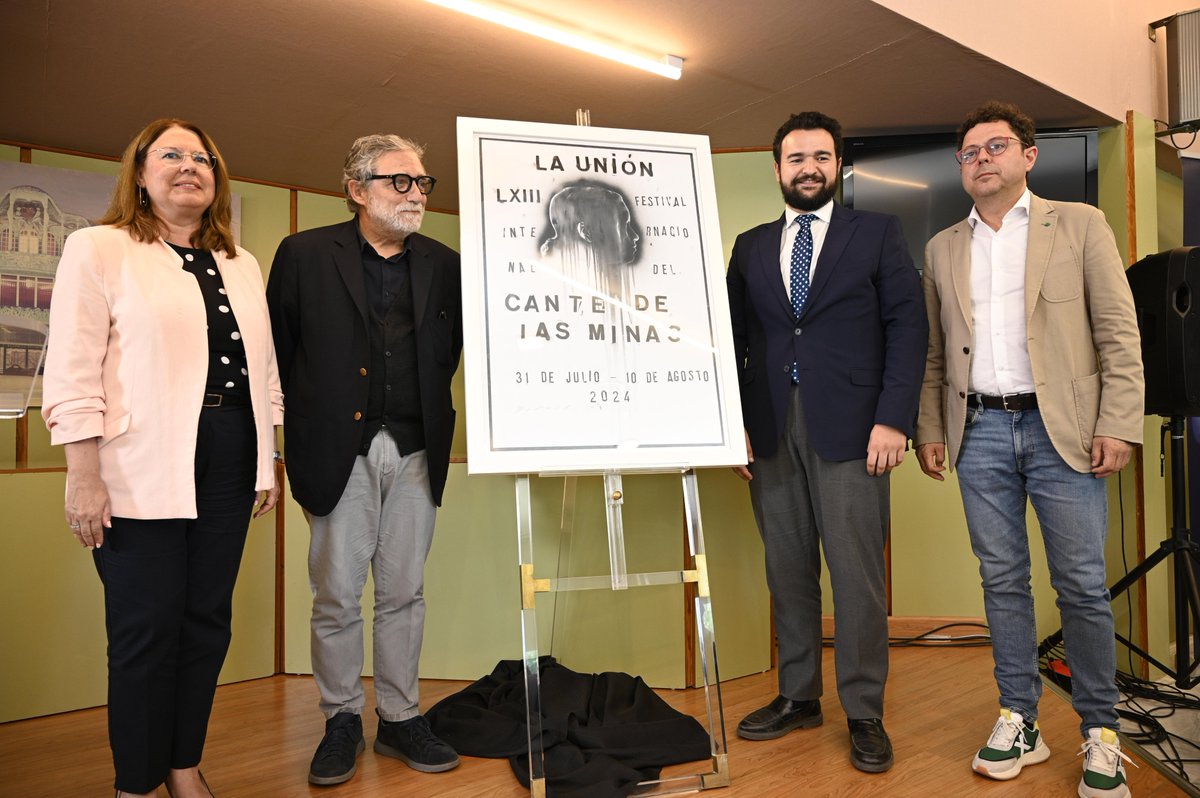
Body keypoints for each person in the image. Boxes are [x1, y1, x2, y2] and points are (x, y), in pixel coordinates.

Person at [42, 118, 283, 798]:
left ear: (218, 179)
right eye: (170, 154)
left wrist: (267, 459)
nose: (189, 165)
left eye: (203, 157)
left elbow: (262, 371)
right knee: (146, 630)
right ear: (139, 174)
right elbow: (71, 369)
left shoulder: (243, 262)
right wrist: (82, 476)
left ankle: (183, 765)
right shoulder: (100, 248)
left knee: (207, 622)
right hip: (134, 464)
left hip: (232, 455)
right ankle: (137, 783)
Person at [915, 101, 1144, 798]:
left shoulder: (1079, 224)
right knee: (1001, 581)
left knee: (1079, 583)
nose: (982, 159)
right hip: (978, 429)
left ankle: (1100, 731)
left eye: (996, 146)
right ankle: (1020, 715)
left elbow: (1118, 332)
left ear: (1028, 156)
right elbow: (933, 353)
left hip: (1063, 429)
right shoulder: (942, 247)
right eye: (970, 151)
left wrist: (1121, 422)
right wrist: (931, 428)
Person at [726, 111, 927, 773]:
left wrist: (895, 420)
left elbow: (908, 328)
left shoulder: (877, 234)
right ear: (778, 168)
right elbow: (730, 346)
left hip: (856, 430)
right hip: (770, 431)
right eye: (794, 157)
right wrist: (733, 429)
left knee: (857, 581)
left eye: (820, 156)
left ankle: (865, 712)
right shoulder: (750, 247)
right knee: (788, 574)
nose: (807, 167)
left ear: (838, 165)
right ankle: (798, 695)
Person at [266, 134, 463, 785]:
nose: (415, 194)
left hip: (415, 448)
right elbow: (277, 358)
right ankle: (342, 718)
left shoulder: (444, 262)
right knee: (337, 595)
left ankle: (401, 719)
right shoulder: (302, 255)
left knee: (405, 591)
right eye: (398, 182)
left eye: (422, 183)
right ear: (356, 189)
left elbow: (449, 352)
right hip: (334, 449)